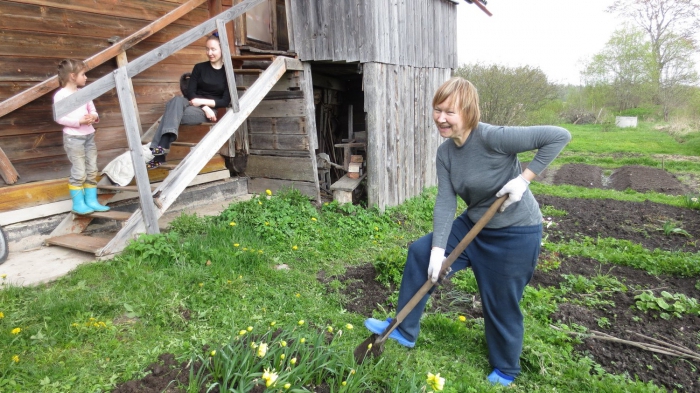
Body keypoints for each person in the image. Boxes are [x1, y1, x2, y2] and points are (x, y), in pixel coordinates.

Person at [363, 77, 571, 386]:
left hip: (515, 232)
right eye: (437, 110)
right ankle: (404, 330)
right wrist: (437, 249)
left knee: (500, 300)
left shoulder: (493, 138)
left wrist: (524, 179)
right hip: (475, 224)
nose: (441, 119)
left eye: (449, 112)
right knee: (421, 253)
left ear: (469, 112)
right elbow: (446, 200)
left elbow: (559, 136)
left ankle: (506, 368)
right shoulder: (446, 153)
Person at [147, 33, 231, 169]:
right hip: (193, 103)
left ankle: (159, 153)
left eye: (213, 49)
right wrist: (204, 105)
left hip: (208, 111)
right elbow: (190, 92)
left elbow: (225, 101)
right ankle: (161, 150)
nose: (209, 53)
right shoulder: (199, 67)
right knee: (175, 100)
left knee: (171, 110)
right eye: (207, 49)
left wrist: (205, 106)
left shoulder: (227, 72)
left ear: (222, 50)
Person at [54, 59, 110, 215]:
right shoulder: (61, 96)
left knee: (92, 169)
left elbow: (93, 110)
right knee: (79, 171)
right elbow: (60, 118)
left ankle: (91, 201)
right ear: (72, 76)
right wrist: (79, 121)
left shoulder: (84, 94)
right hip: (73, 138)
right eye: (83, 74)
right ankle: (78, 204)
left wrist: (93, 117)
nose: (86, 78)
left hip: (89, 136)